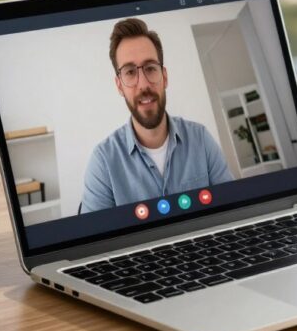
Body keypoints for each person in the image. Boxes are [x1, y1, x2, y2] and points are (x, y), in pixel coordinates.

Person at [81, 18, 232, 213]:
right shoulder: (103, 163)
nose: (143, 84)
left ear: (165, 77)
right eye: (129, 72)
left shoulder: (201, 139)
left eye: (151, 68)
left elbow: (232, 210)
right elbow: (96, 241)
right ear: (119, 85)